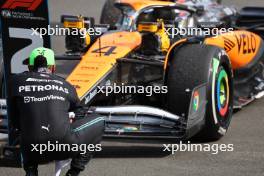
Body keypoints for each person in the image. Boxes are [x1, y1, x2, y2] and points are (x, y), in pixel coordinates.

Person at [9, 47, 105, 176]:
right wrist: (65, 121)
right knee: (100, 120)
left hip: (31, 150)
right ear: (53, 67)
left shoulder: (15, 81)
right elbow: (80, 112)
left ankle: (31, 171)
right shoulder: (65, 84)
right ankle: (74, 172)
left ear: (30, 67)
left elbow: (14, 120)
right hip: (63, 147)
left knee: (25, 128)